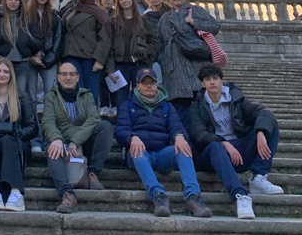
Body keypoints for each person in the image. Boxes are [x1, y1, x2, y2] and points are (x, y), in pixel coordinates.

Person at [189, 62, 283, 220]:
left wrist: (260, 132)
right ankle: (240, 196)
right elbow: (199, 135)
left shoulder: (236, 99)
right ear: (203, 83)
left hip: (239, 150)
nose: (212, 82)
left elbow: (263, 112)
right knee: (215, 146)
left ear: (221, 81)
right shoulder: (196, 107)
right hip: (213, 155)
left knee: (269, 125)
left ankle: (259, 177)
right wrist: (223, 143)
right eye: (207, 79)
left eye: (215, 78)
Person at [115, 67, 212, 218]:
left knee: (183, 148)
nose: (149, 86)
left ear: (157, 84)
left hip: (161, 153)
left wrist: (179, 136)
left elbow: (176, 126)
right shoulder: (127, 105)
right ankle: (158, 196)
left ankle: (193, 197)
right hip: (139, 154)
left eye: (152, 83)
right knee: (138, 152)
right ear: (138, 85)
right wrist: (132, 137)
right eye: (145, 83)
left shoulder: (167, 106)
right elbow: (121, 130)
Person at [42, 61, 114, 213]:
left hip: (84, 141)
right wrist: (57, 139)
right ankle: (67, 194)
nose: (68, 78)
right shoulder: (50, 97)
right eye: (64, 74)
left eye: (72, 74)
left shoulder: (86, 95)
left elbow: (93, 119)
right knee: (52, 149)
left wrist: (75, 141)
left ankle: (93, 173)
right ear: (58, 77)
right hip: (61, 142)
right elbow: (48, 121)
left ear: (78, 77)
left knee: (106, 127)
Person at [157, 0, 221, 128]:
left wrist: (195, 23)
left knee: (202, 108)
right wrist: (163, 60)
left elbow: (215, 26)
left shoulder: (195, 10)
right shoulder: (165, 18)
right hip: (174, 70)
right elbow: (159, 42)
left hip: (195, 65)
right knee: (180, 111)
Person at [0, 58, 37, 211]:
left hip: (15, 144)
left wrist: (16, 133)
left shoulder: (22, 97)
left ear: (11, 75)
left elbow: (33, 127)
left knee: (7, 139)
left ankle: (16, 193)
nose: (2, 74)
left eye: (6, 71)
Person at [0, 0, 42, 94]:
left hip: (21, 62)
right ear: (5, 0)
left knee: (20, 93)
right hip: (1, 61)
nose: (13, 2)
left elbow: (38, 41)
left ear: (20, 2)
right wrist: (1, 37)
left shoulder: (27, 20)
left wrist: (26, 43)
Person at [61, 0, 112, 106]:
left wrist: (99, 60)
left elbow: (105, 37)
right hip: (71, 55)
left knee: (90, 92)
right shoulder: (71, 11)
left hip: (90, 58)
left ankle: (91, 117)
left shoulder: (98, 12)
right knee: (74, 90)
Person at [107, 0, 158, 113]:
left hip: (139, 65)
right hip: (120, 65)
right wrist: (110, 69)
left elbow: (155, 42)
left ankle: (140, 122)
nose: (124, 1)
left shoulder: (143, 21)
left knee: (140, 97)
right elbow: (109, 48)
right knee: (121, 99)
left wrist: (145, 52)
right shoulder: (113, 22)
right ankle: (123, 122)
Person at [26, 0, 62, 148]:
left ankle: (50, 137)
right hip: (31, 60)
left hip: (49, 61)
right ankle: (35, 138)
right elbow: (23, 37)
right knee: (31, 99)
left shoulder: (55, 17)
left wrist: (49, 60)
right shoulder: (26, 15)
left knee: (51, 99)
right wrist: (31, 56)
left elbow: (58, 40)